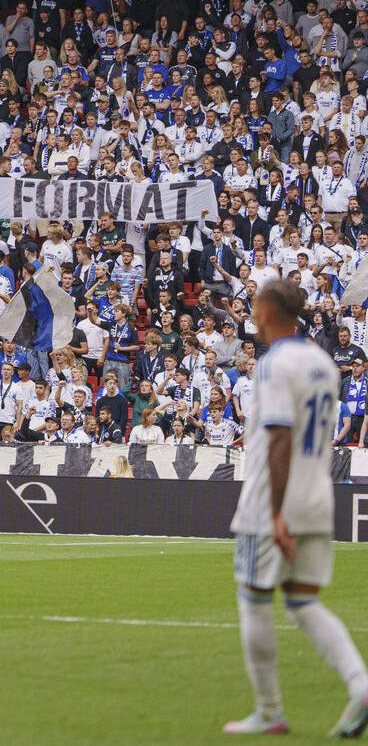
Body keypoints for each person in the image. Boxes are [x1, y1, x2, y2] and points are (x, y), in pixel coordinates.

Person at [225, 280, 368, 736]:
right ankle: (361, 685)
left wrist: (276, 512)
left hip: (272, 500)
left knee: (254, 601)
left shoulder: (273, 364)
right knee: (303, 602)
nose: (251, 313)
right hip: (317, 495)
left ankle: (269, 710)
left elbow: (280, 437)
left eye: (254, 306)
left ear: (267, 312)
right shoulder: (322, 362)